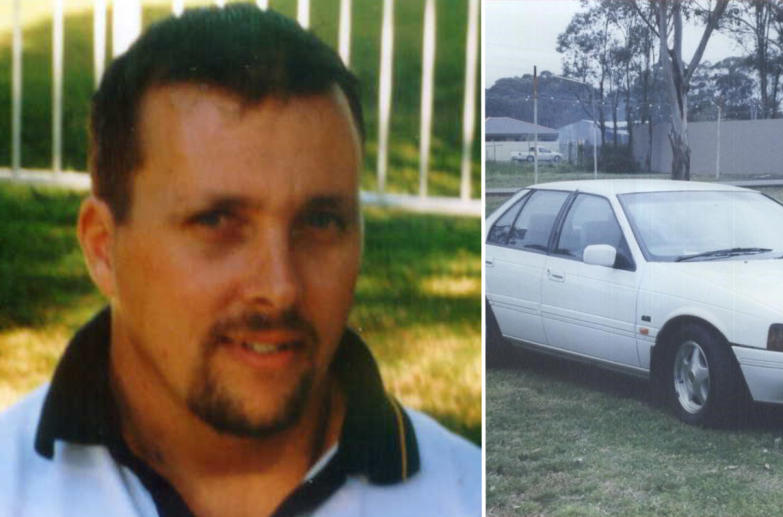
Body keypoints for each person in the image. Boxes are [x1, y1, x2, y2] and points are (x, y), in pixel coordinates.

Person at [0, 5, 479, 516]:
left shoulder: (465, 495)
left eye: (320, 222)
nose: (280, 287)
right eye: (216, 222)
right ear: (103, 247)